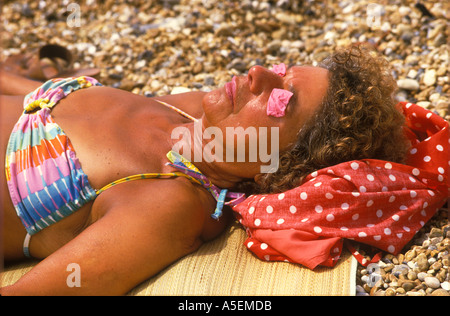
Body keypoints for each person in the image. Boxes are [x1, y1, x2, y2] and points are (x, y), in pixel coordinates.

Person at [0, 44, 409, 295]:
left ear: (274, 168)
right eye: (282, 71)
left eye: (281, 101)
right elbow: (37, 104)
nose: (258, 73)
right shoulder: (194, 113)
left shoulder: (167, 200)